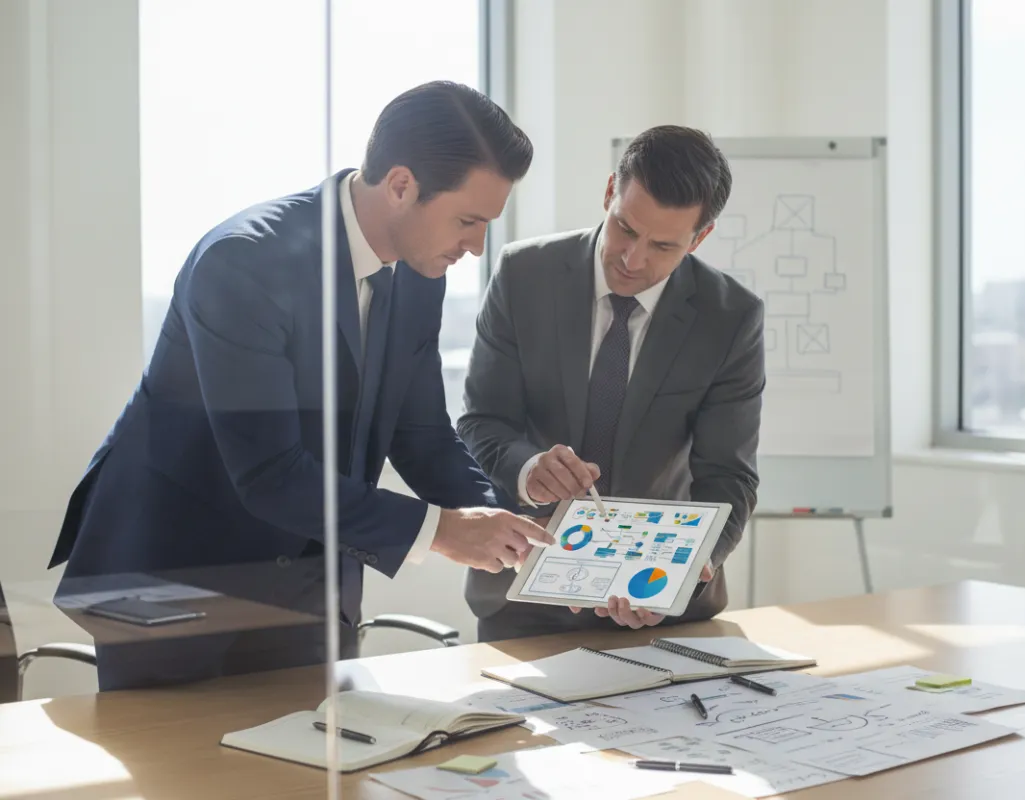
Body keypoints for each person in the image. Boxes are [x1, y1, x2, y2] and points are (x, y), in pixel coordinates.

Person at [48, 81, 552, 690]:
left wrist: (513, 536)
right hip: (174, 575)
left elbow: (420, 431)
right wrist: (444, 532)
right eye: (468, 221)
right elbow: (270, 472)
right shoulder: (244, 262)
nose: (475, 246)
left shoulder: (421, 273)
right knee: (173, 751)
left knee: (312, 746)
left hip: (307, 578)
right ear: (401, 185)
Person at [458, 125, 765, 642]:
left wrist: (692, 567)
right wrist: (529, 470)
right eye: (625, 228)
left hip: (662, 599)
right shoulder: (523, 275)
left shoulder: (729, 317)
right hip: (524, 594)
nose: (633, 259)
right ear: (609, 193)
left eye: (663, 246)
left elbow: (728, 474)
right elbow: (482, 421)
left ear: (700, 238)